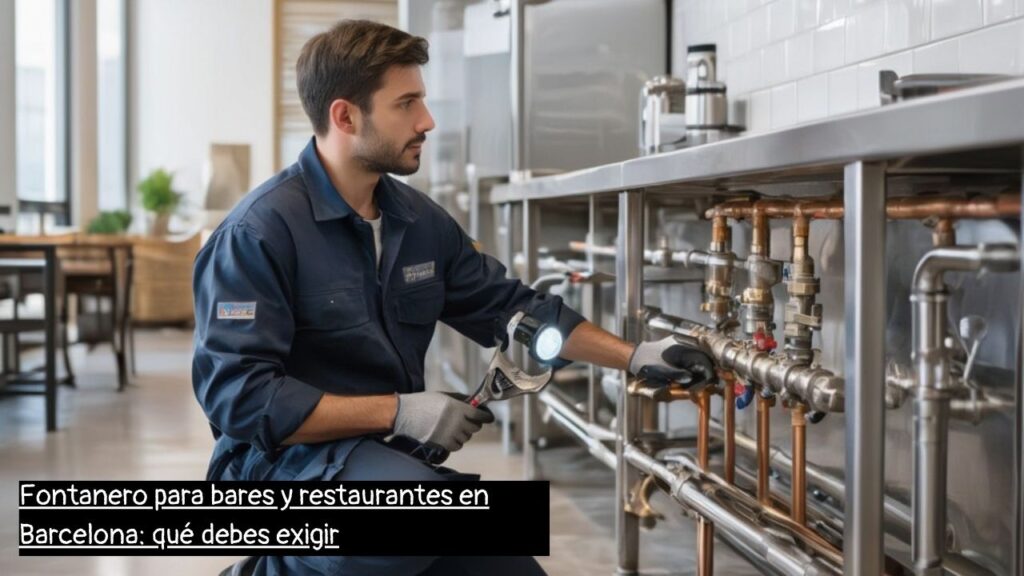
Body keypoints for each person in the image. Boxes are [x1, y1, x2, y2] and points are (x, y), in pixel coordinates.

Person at [193, 19, 715, 576]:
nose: (427, 121)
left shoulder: (418, 222)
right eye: (406, 103)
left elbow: (517, 311)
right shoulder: (258, 234)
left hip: (382, 455)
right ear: (345, 116)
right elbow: (241, 399)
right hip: (275, 469)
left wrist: (636, 356)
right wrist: (403, 410)